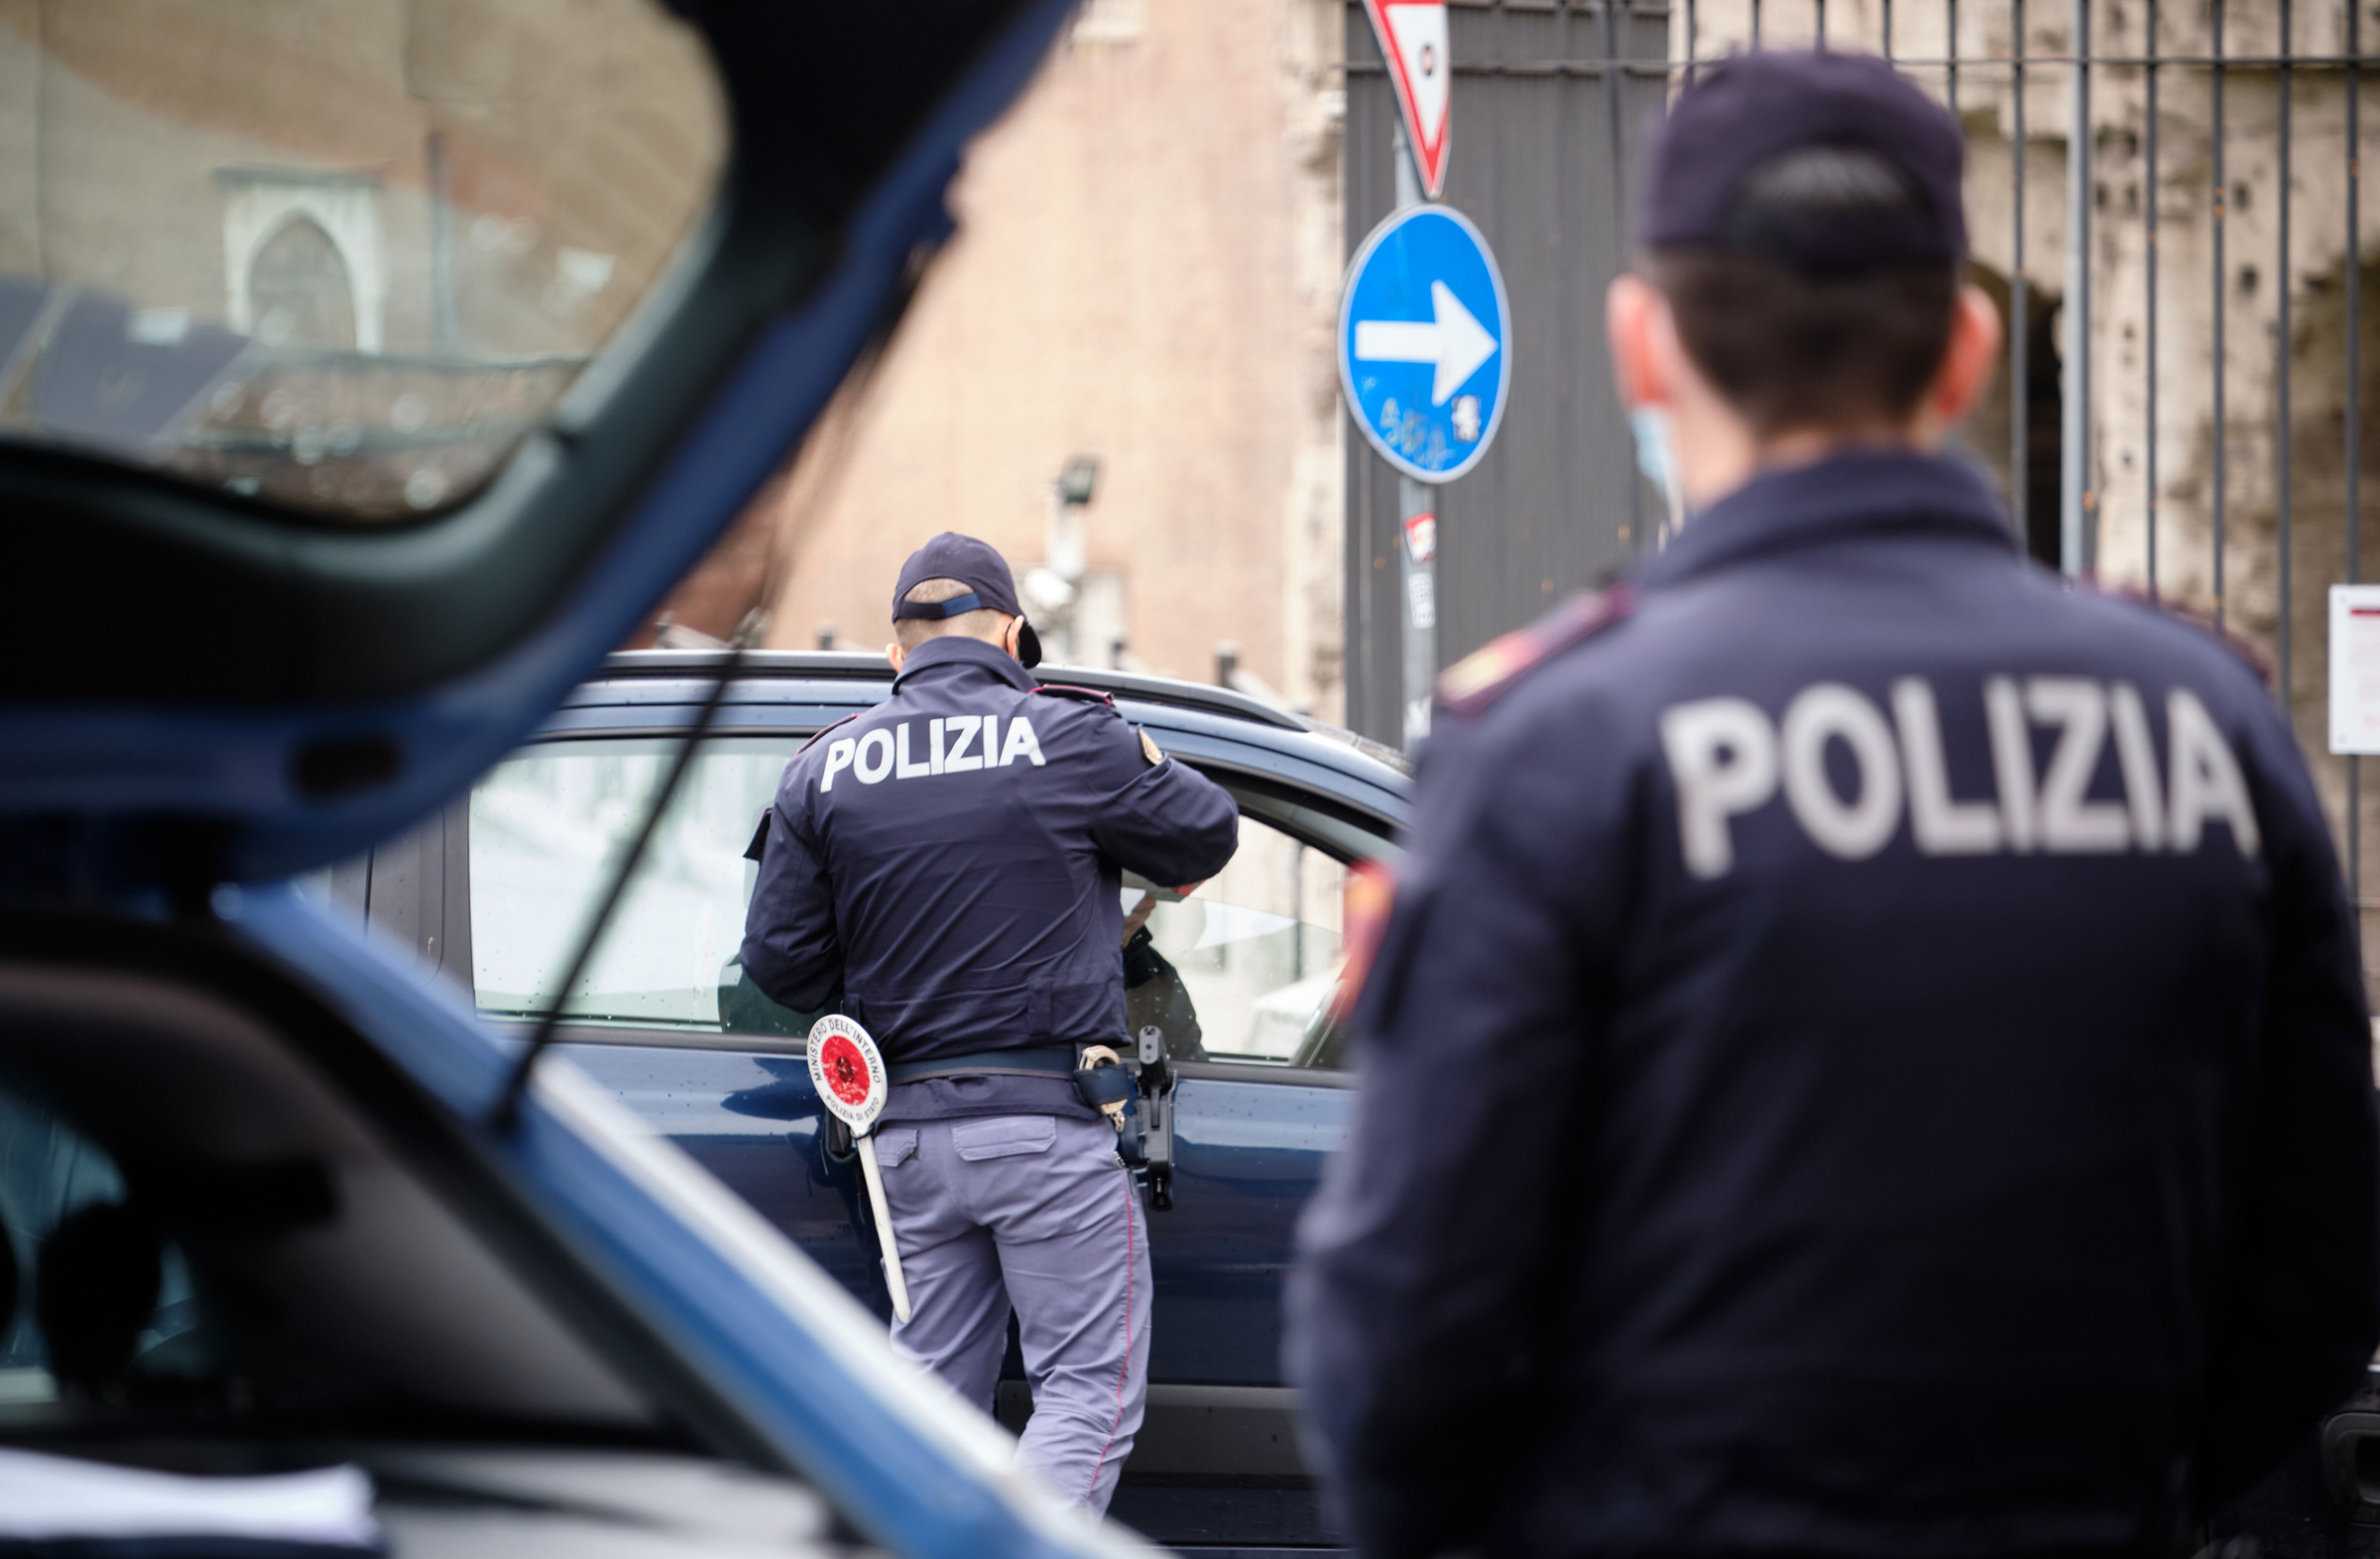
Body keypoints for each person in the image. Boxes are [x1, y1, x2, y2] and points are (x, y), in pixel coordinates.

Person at [1289, 51, 2380, 1559]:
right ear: (1967, 350)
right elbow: (2321, 1269)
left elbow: (1401, 1342)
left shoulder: (1561, 744)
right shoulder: (2209, 726)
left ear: (1642, 350)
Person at [741, 532, 1239, 1512]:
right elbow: (1206, 830)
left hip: (909, 1144)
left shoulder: (823, 768)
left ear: (897, 653)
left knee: (932, 1410)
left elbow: (780, 962)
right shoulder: (1069, 737)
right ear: (1013, 635)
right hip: (1049, 1127)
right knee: (1086, 1389)